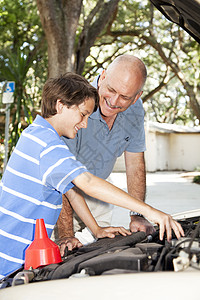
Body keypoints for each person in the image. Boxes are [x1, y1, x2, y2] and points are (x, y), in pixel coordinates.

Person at [0, 73, 184, 279]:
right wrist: (150, 212)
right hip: (10, 259)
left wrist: (96, 229)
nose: (85, 124)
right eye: (83, 114)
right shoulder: (47, 145)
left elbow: (71, 189)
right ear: (60, 105)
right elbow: (86, 182)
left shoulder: (39, 135)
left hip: (19, 253)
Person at [57, 54, 154, 252]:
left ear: (136, 97)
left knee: (96, 258)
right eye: (111, 90)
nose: (114, 101)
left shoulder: (135, 110)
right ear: (102, 78)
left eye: (125, 97)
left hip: (97, 196)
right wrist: (65, 235)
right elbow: (61, 176)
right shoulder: (76, 102)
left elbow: (135, 163)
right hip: (59, 198)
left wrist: (137, 213)